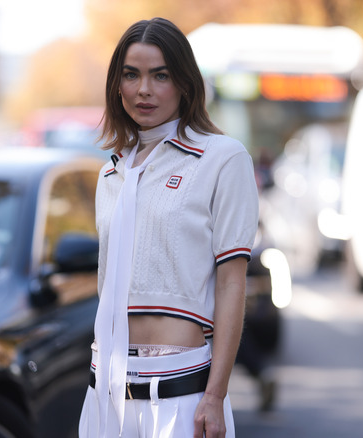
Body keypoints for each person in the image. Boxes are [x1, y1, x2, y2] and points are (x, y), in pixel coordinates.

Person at [79, 17, 259, 438]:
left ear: (183, 82)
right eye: (131, 74)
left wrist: (214, 397)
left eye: (160, 75)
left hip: (181, 393)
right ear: (117, 85)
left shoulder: (223, 158)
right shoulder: (111, 175)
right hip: (105, 391)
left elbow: (232, 283)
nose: (144, 89)